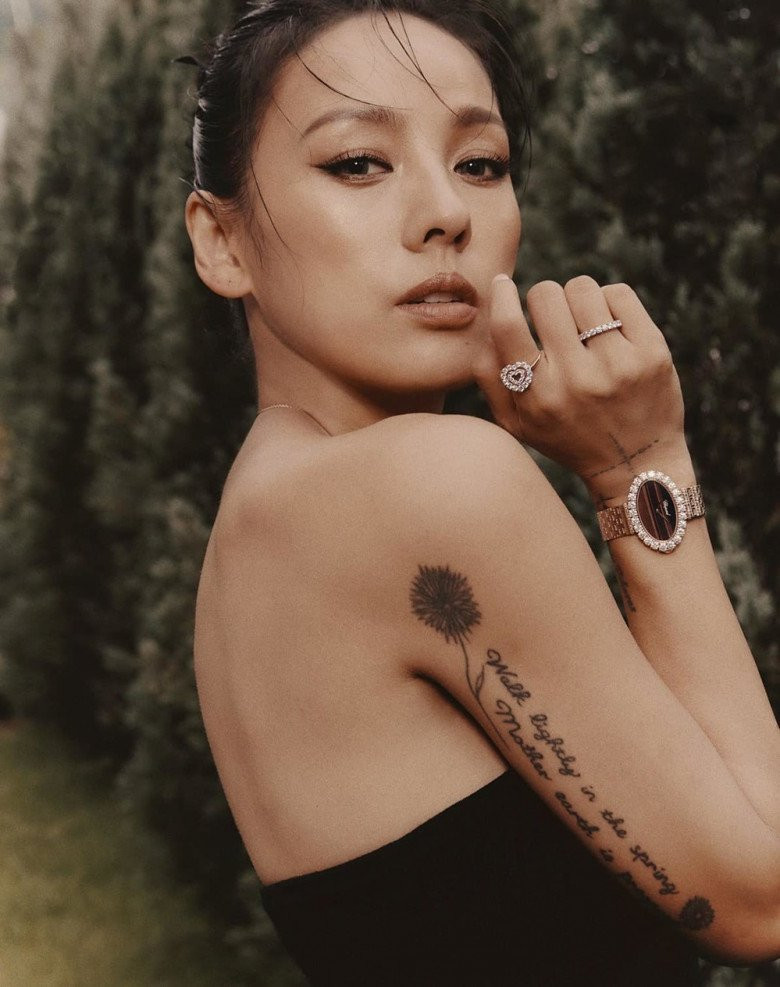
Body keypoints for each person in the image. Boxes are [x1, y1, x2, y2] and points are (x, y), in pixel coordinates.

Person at [183, 1, 780, 983]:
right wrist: (643, 463)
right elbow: (761, 899)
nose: (446, 212)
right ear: (222, 240)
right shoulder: (435, 483)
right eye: (358, 162)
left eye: (480, 163)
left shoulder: (261, 510)